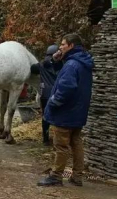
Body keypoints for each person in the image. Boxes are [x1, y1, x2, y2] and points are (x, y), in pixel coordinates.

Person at [38, 33, 94, 187]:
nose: (60, 47)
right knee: (76, 142)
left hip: (65, 111)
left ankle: (56, 176)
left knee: (61, 145)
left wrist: (54, 102)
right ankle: (77, 176)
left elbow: (67, 87)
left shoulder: (71, 65)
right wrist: (57, 60)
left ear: (71, 46)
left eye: (63, 44)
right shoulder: (81, 62)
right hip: (78, 110)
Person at [29, 44, 62, 145]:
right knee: (59, 117)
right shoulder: (62, 64)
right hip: (58, 94)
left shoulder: (42, 64)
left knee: (46, 117)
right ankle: (58, 139)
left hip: (45, 94)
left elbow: (32, 69)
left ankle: (46, 139)